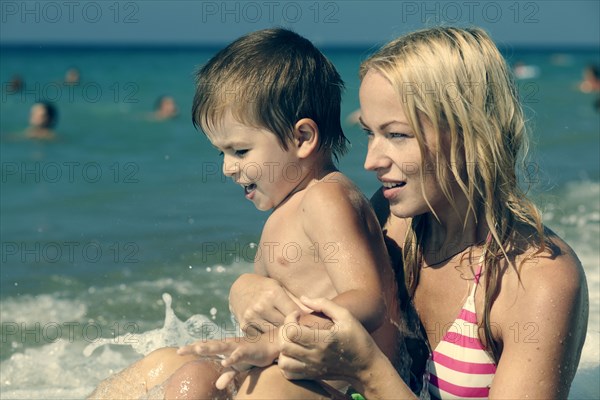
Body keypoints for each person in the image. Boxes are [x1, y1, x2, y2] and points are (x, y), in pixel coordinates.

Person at [196, 27, 589, 399]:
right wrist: (244, 289)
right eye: (370, 133)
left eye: (397, 135)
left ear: (471, 134)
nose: (370, 161)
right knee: (192, 377)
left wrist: (366, 371)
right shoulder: (392, 217)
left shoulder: (538, 279)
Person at [88, 28, 404, 399]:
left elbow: (368, 301)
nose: (227, 168)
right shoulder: (289, 207)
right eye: (221, 153)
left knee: (196, 384)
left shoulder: (325, 198)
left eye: (240, 151)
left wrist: (277, 340)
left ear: (302, 138)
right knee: (160, 366)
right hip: (294, 372)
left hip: (349, 385)